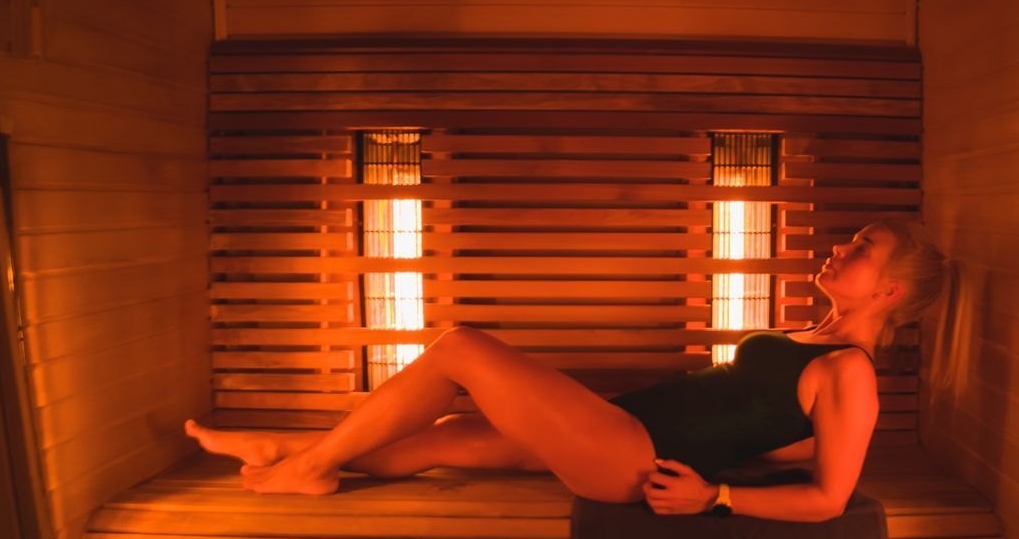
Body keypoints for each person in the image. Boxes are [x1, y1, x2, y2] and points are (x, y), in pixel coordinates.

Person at [185, 218, 954, 522]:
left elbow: (831, 496)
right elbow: (786, 441)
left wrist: (714, 493)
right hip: (618, 426)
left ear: (888, 292)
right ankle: (279, 448)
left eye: (862, 249)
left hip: (634, 458)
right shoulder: (809, 338)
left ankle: (308, 467)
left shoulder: (851, 370)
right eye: (850, 240)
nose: (840, 251)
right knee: (445, 436)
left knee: (459, 346)